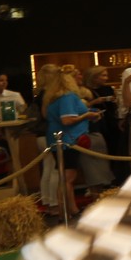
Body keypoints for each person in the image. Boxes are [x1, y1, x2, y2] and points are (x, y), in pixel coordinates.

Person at [42, 68, 101, 220]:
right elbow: (67, 120)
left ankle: (71, 209)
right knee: (67, 178)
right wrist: (87, 115)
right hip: (67, 139)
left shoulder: (53, 97)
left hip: (59, 138)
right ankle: (64, 212)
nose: (80, 78)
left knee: (66, 177)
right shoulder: (68, 96)